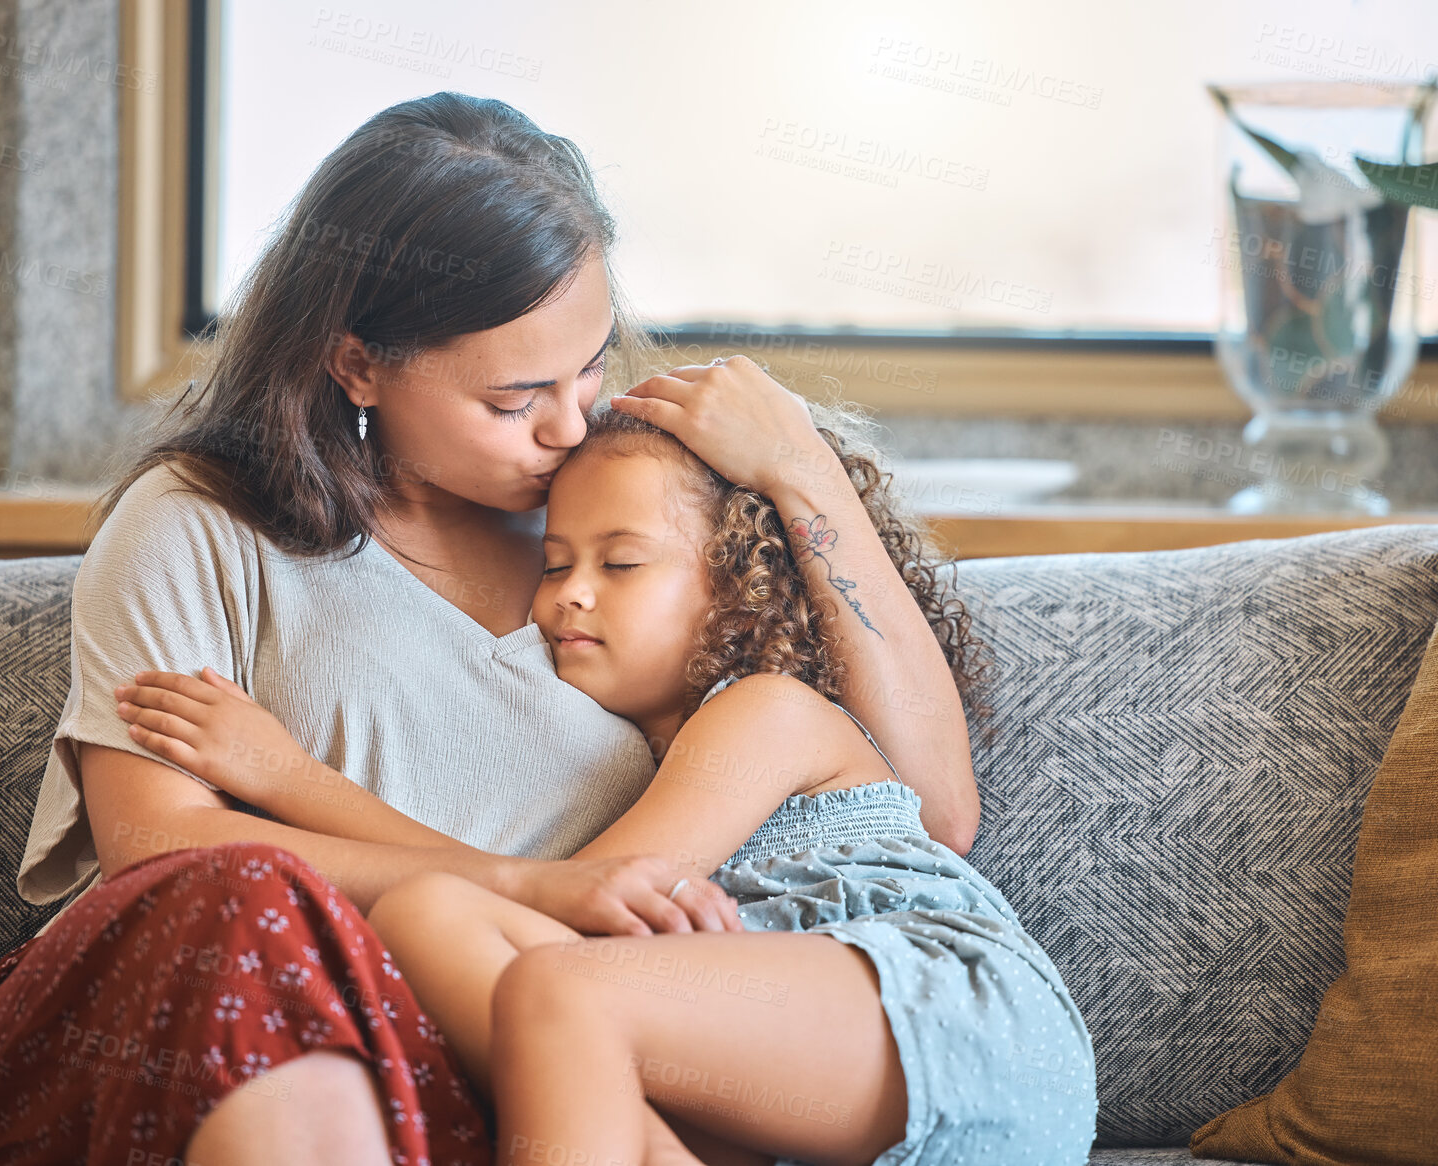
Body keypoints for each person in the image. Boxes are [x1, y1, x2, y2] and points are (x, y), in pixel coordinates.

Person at [0, 91, 980, 1166]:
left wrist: (805, 472)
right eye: (516, 396)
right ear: (357, 364)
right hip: (203, 1002)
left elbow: (927, 806)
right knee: (248, 898)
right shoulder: (199, 525)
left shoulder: (624, 517)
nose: (569, 423)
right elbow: (154, 846)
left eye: (589, 365)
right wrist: (525, 885)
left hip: (506, 1052)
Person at [110, 403, 1101, 1166]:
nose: (568, 592)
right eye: (555, 562)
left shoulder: (766, 710)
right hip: (786, 1075)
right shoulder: (642, 759)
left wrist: (290, 777)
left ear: (741, 579)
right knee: (427, 916)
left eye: (621, 562)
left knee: (554, 984)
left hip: (958, 1021)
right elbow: (508, 890)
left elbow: (577, 904)